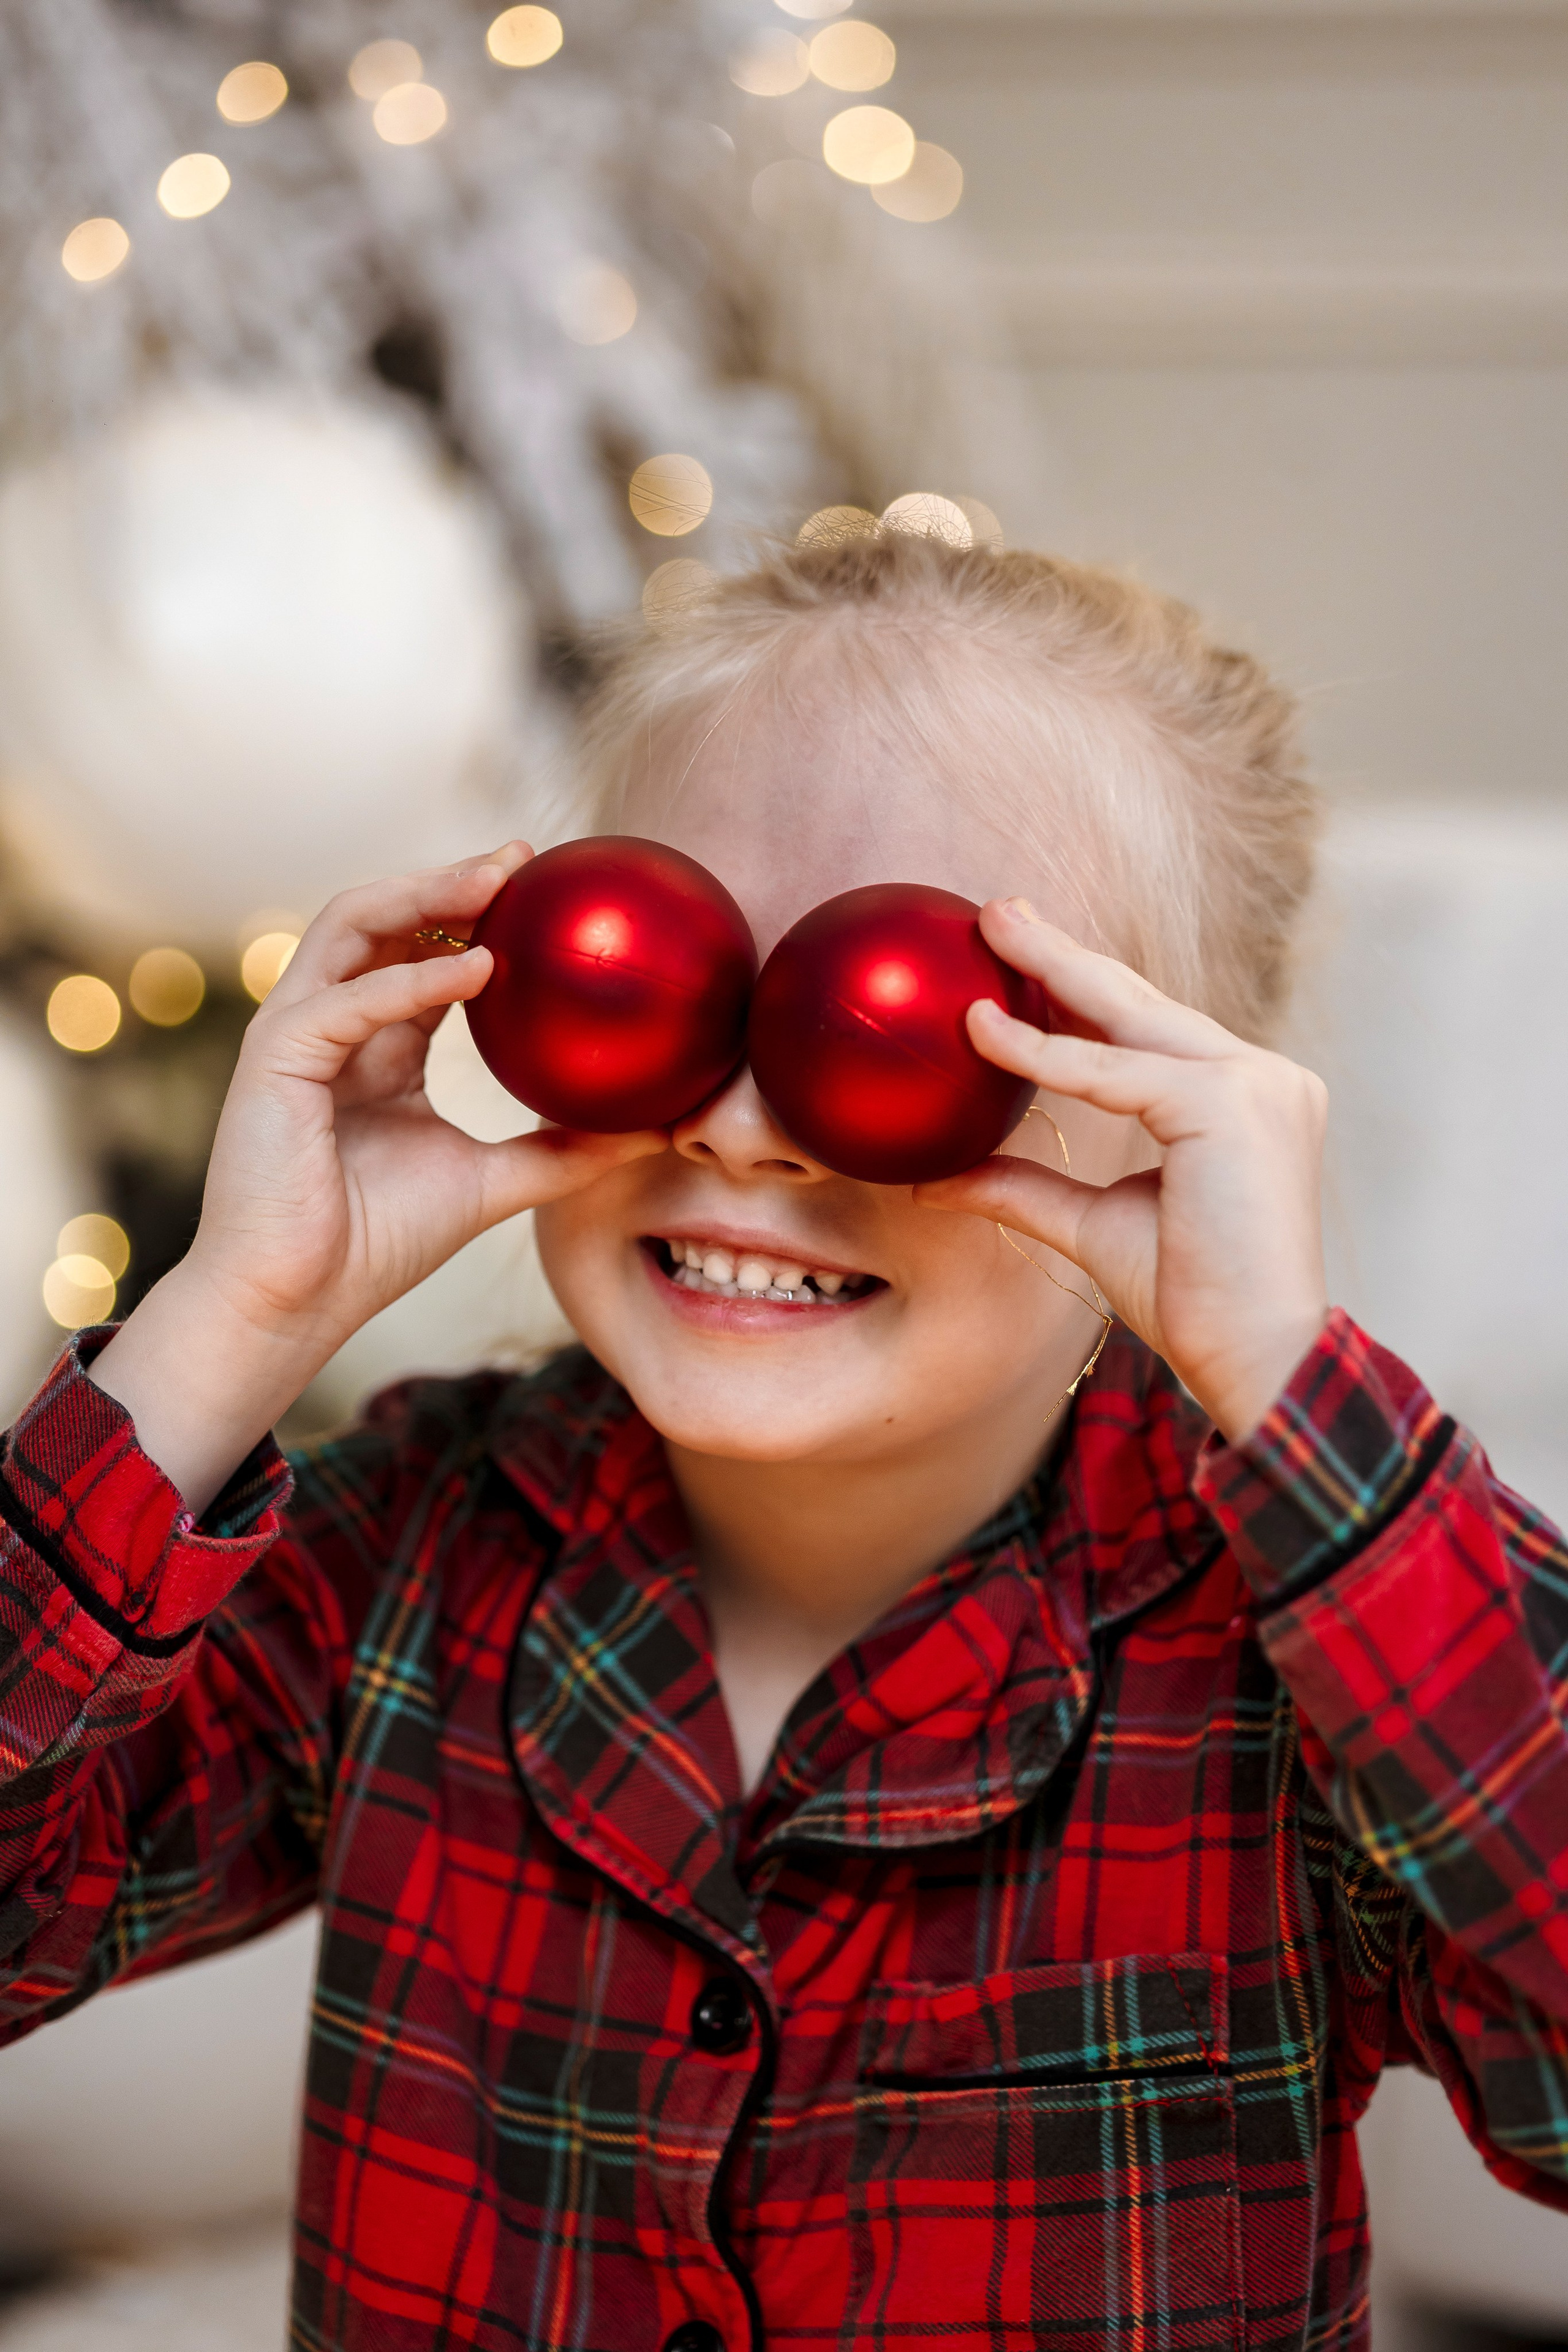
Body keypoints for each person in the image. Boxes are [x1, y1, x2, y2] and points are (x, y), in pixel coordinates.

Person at [1, 532, 1564, 2352]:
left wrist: (1291, 1381)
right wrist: (227, 1323)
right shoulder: (411, 1557)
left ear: (1164, 1115)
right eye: (660, 983)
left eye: (898, 1028)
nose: (750, 1130)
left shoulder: (1305, 1659)